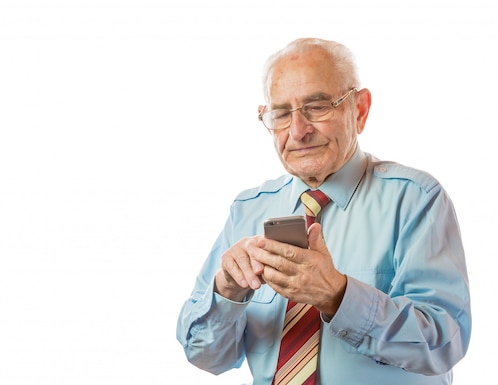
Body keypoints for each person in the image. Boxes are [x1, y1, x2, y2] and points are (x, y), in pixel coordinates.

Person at [176, 37, 471, 385]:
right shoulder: (248, 209)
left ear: (359, 110)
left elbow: (443, 343)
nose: (298, 131)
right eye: (282, 114)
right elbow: (205, 356)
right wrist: (226, 290)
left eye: (317, 107)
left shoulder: (416, 200)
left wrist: (338, 296)